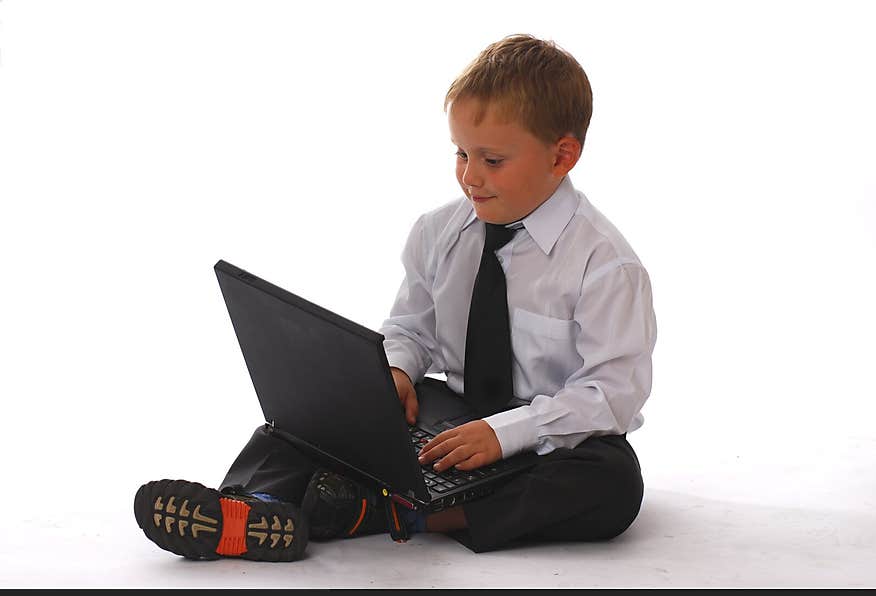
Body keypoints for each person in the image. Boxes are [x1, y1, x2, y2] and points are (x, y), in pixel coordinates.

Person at [134, 34, 657, 560]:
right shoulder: (438, 233)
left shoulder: (606, 264)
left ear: (561, 156)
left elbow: (611, 395)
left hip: (545, 437)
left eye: (492, 160)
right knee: (313, 414)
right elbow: (412, 329)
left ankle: (389, 511)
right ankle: (250, 509)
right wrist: (398, 372)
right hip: (449, 414)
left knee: (612, 480)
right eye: (461, 153)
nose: (470, 176)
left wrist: (508, 433)